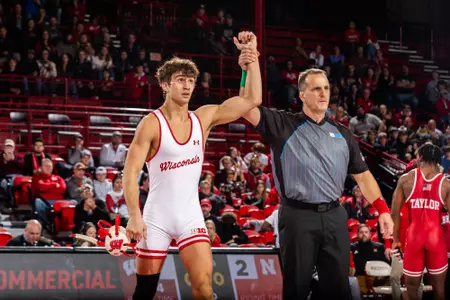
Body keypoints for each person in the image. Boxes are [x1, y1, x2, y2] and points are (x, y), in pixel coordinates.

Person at [123, 31, 261, 300]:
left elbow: (250, 101)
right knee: (145, 291)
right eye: (179, 81)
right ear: (164, 85)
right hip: (155, 219)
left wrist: (250, 60)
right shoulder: (151, 123)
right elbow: (130, 172)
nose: (186, 86)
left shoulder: (204, 118)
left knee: (203, 288)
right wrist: (134, 215)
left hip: (190, 216)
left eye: (190, 81)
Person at [241, 68, 394, 299]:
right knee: (297, 289)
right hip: (297, 216)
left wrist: (383, 210)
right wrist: (248, 66)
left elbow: (363, 175)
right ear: (302, 95)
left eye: (326, 88)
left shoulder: (342, 133)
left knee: (339, 289)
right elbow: (247, 108)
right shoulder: (283, 124)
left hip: (334, 215)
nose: (323, 94)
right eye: (316, 89)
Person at [391, 143, 450, 300]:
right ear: (438, 161)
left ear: (419, 157)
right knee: (439, 290)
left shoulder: (405, 180)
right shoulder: (446, 184)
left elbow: (394, 213)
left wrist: (396, 239)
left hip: (414, 238)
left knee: (412, 290)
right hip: (435, 239)